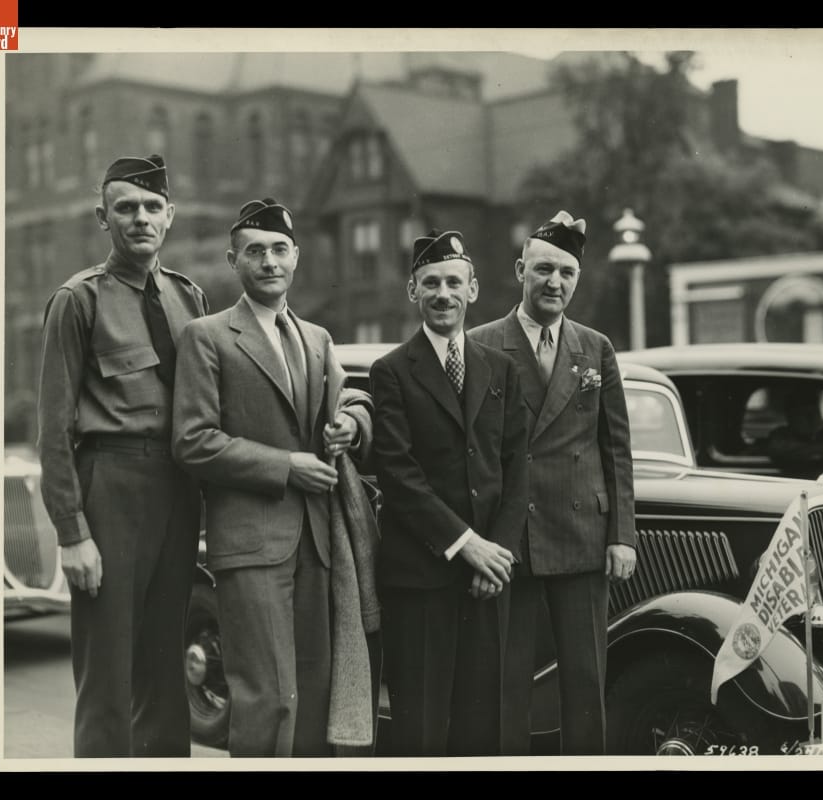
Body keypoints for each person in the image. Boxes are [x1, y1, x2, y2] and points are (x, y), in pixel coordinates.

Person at [171, 198, 373, 757]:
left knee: (314, 695)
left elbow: (351, 397)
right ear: (233, 260)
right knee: (269, 698)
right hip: (252, 545)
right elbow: (192, 440)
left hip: (317, 543)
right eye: (255, 251)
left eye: (280, 249)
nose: (269, 261)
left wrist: (351, 424)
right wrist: (287, 466)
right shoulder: (207, 336)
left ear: (296, 257)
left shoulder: (317, 338)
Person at [37, 154, 208, 757]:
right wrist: (72, 534)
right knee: (108, 673)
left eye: (152, 207)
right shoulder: (77, 299)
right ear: (102, 218)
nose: (141, 218)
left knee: (166, 672)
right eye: (126, 208)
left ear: (170, 216)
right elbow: (53, 428)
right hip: (111, 487)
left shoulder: (189, 297)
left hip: (177, 491)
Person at [468, 210, 637, 755]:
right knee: (505, 684)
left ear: (577, 279)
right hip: (508, 541)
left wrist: (622, 536)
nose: (554, 283)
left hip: (581, 536)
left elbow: (616, 448)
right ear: (521, 271)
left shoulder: (596, 347)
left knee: (585, 681)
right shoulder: (480, 344)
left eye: (566, 273)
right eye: (543, 270)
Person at [369, 229, 528, 756]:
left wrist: (498, 554)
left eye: (454, 283)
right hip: (421, 580)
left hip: (488, 581)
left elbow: (517, 467)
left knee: (481, 730)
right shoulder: (392, 371)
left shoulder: (501, 369)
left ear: (473, 290)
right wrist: (467, 546)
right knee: (420, 732)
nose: (443, 294)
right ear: (413, 291)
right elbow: (399, 474)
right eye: (431, 283)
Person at [766, 386, 823, 479]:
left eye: (815, 411)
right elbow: (786, 451)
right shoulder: (780, 436)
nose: (812, 419)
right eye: (805, 414)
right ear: (792, 416)